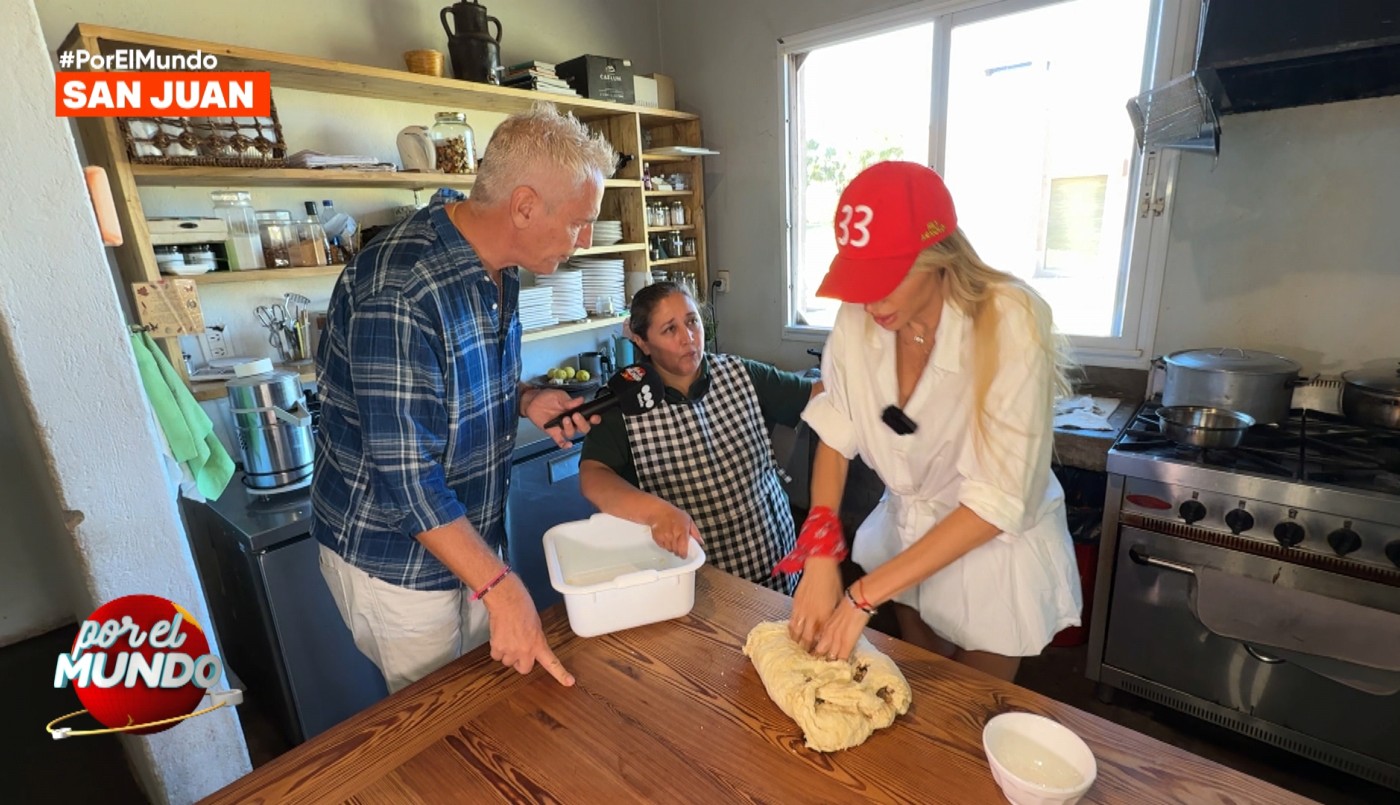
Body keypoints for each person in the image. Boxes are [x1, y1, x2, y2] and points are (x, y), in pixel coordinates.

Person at [311, 104, 614, 693]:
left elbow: (449, 381)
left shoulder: (500, 262)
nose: (584, 240)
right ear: (523, 207)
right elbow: (407, 478)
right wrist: (501, 586)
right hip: (398, 562)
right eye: (580, 222)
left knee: (485, 696)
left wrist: (524, 398)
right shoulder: (401, 289)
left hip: (473, 538)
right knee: (438, 718)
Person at [785, 161, 1081, 682]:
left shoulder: (1008, 319)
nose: (870, 301)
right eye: (860, 281)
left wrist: (860, 596)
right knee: (916, 688)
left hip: (992, 550)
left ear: (939, 255)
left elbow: (997, 499)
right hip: (908, 535)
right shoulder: (859, 316)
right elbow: (836, 431)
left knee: (967, 704)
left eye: (886, 279)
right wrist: (820, 549)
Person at [578, 281, 821, 593]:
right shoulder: (621, 402)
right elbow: (594, 476)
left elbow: (815, 396)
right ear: (642, 342)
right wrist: (656, 512)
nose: (688, 337)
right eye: (670, 329)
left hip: (775, 565)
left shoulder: (742, 374)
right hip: (695, 583)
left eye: (692, 321)